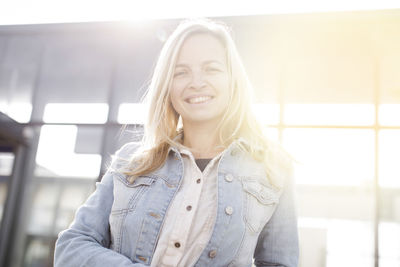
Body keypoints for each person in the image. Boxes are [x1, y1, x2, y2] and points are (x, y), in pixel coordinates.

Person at [54, 18, 299, 267]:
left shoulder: (274, 169)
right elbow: (72, 245)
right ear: (167, 86)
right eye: (181, 72)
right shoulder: (130, 162)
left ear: (232, 80)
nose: (196, 82)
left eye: (211, 69)